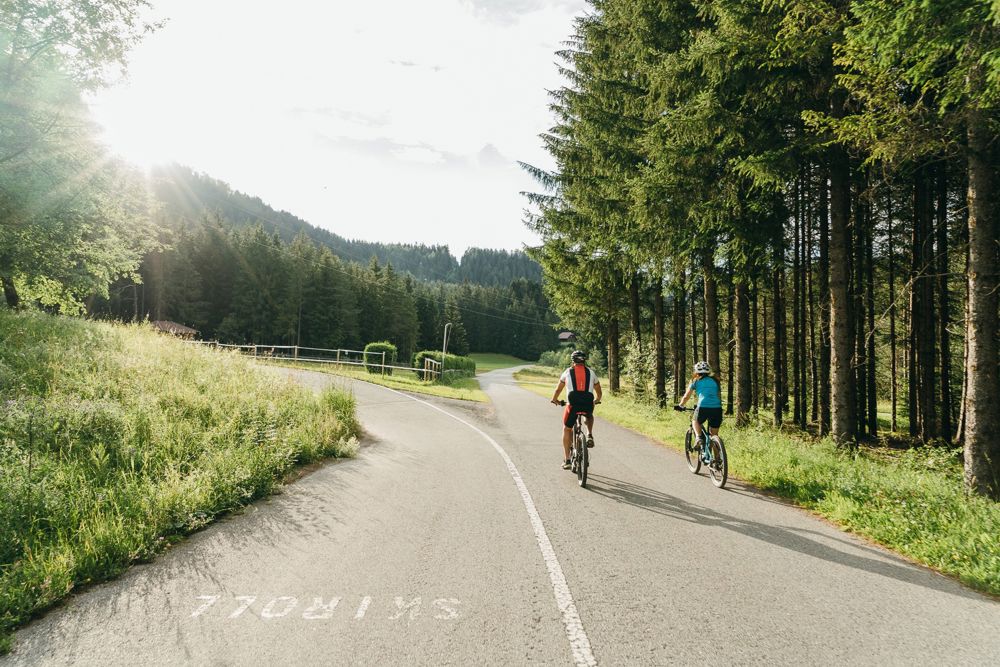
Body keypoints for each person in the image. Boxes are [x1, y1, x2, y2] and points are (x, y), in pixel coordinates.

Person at [550, 350, 602, 470]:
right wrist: (597, 399)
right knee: (589, 415)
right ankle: (589, 434)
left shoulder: (567, 372)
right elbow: (598, 390)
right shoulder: (591, 373)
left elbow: (558, 390)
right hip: (588, 403)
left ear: (573, 361)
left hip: (572, 405)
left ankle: (567, 459)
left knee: (567, 428)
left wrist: (555, 400)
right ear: (584, 360)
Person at [676, 361, 723, 458]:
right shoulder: (715, 380)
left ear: (696, 372)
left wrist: (680, 405)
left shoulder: (695, 381)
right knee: (714, 435)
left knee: (695, 421)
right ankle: (717, 460)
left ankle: (698, 438)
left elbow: (686, 397)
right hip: (717, 408)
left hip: (702, 406)